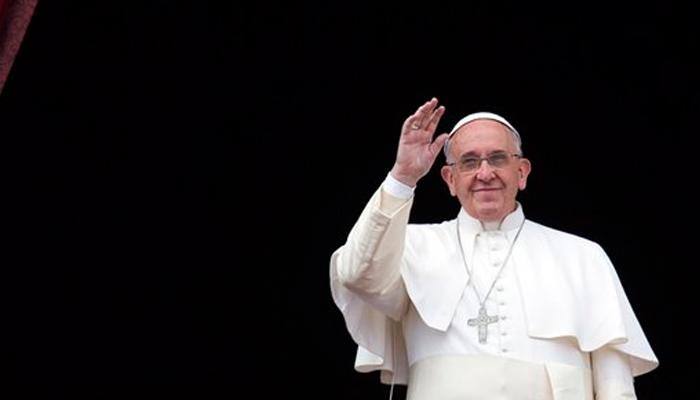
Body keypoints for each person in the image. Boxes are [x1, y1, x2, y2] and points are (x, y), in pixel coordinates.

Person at [330, 98, 658, 400]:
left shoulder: (583, 256)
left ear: (522, 172)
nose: (485, 173)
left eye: (497, 158)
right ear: (449, 179)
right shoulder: (411, 246)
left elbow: (615, 383)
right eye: (469, 162)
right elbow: (356, 274)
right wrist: (403, 177)